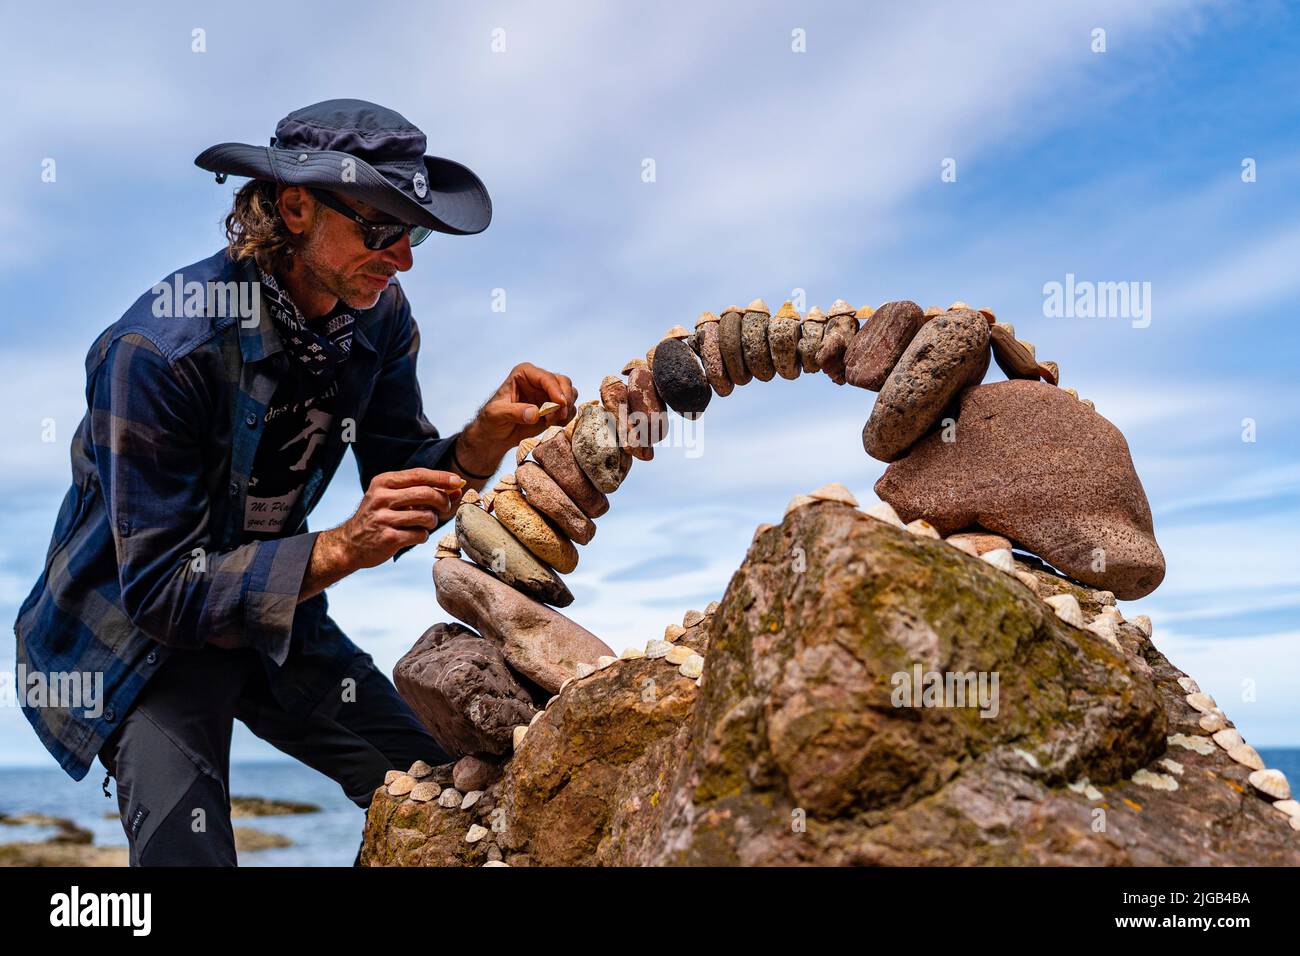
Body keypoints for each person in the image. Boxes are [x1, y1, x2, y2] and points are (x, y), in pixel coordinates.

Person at [11, 99, 576, 865]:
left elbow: (399, 475)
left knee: (451, 798)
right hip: (135, 642)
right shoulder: (158, 352)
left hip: (279, 615)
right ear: (295, 205)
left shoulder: (375, 317)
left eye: (412, 234)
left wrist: (481, 440)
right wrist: (342, 548)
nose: (402, 257)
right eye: (380, 229)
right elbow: (164, 593)